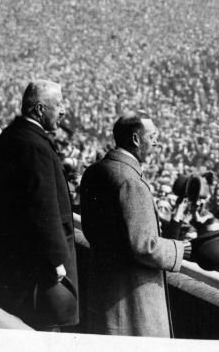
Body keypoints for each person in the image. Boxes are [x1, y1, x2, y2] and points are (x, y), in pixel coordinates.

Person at [79, 113, 191, 337]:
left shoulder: (95, 170)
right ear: (136, 139)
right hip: (132, 300)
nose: (157, 143)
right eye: (153, 136)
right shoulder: (130, 181)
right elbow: (144, 245)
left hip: (104, 290)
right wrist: (180, 249)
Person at [0, 81, 78, 330]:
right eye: (58, 104)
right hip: (39, 268)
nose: (63, 111)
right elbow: (42, 207)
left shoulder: (13, 134)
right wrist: (56, 261)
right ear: (40, 109)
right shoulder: (34, 144)